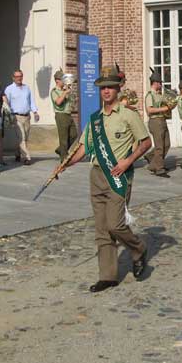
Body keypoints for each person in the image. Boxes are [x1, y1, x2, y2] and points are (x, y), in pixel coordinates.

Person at [56, 65, 152, 293]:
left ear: (117, 89)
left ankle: (138, 248)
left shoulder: (129, 115)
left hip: (118, 175)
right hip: (97, 175)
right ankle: (108, 276)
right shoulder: (95, 119)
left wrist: (128, 161)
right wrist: (66, 164)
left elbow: (146, 142)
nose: (106, 91)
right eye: (102, 88)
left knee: (115, 224)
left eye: (110, 87)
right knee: (101, 228)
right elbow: (83, 147)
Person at [4, 70, 39, 165]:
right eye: (17, 76)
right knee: (22, 137)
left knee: (25, 137)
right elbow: (6, 103)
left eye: (20, 76)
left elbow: (31, 101)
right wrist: (9, 116)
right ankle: (27, 157)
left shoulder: (26, 88)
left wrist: (35, 112)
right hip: (16, 117)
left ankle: (17, 153)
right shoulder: (9, 89)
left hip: (27, 116)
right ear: (13, 78)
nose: (19, 78)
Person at [144, 69, 170, 177]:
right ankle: (159, 169)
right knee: (159, 146)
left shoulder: (159, 95)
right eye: (160, 83)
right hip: (155, 121)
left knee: (167, 144)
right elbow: (149, 110)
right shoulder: (150, 95)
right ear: (155, 83)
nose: (161, 84)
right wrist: (164, 109)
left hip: (162, 120)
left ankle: (152, 160)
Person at [51, 69, 78, 159]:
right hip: (61, 115)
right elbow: (58, 102)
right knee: (63, 137)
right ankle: (63, 157)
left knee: (74, 135)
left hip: (68, 114)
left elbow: (72, 103)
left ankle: (60, 150)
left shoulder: (64, 90)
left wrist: (72, 96)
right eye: (63, 80)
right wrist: (65, 92)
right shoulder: (54, 91)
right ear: (57, 81)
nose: (64, 82)